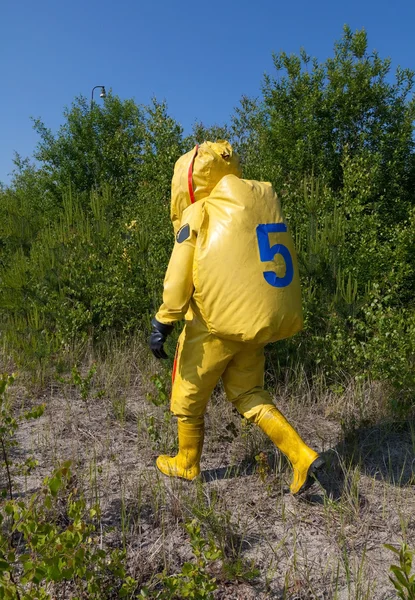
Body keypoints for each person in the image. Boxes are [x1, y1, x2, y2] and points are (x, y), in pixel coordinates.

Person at [149, 141, 323, 494]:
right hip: (248, 323)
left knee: (188, 393)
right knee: (249, 393)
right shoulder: (251, 207)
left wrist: (164, 319)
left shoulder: (199, 212)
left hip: (211, 327)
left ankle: (186, 463)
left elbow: (180, 272)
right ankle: (301, 455)